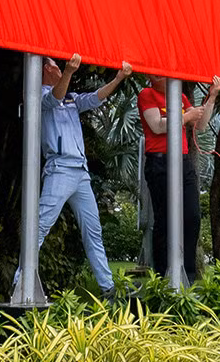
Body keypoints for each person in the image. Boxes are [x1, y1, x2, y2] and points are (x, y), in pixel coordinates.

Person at [30, 53, 132, 296]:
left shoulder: (72, 98)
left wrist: (118, 78)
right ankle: (22, 283)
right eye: (55, 65)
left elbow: (96, 98)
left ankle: (108, 289)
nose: (58, 67)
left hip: (81, 172)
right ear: (45, 70)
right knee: (41, 227)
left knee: (93, 230)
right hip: (60, 169)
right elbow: (54, 99)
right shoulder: (40, 97)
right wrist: (68, 72)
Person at [138, 74, 220, 279]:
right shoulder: (147, 94)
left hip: (182, 161)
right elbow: (157, 126)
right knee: (164, 218)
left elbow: (200, 124)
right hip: (159, 161)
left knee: (192, 216)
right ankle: (161, 274)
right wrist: (185, 116)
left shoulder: (181, 97)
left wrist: (211, 98)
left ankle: (189, 273)